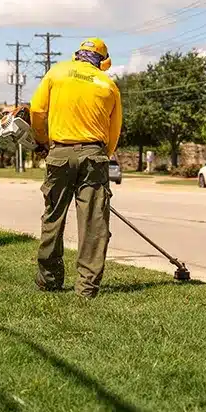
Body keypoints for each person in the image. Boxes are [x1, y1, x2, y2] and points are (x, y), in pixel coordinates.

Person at [29, 37, 122, 298]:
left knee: (53, 216)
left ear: (77, 55)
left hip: (58, 153)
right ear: (104, 61)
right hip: (95, 155)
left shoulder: (57, 72)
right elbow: (114, 132)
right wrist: (102, 156)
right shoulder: (109, 85)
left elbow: (37, 110)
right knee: (94, 223)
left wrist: (42, 140)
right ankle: (87, 289)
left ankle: (49, 280)